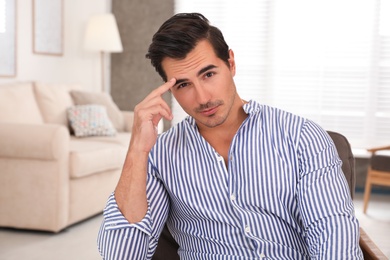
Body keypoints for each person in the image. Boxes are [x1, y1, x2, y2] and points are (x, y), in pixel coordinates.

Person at [97, 13, 363, 259]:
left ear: (231, 63)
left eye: (209, 74)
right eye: (183, 85)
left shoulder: (302, 136)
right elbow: (122, 254)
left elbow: (333, 236)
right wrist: (137, 150)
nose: (202, 98)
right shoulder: (160, 154)